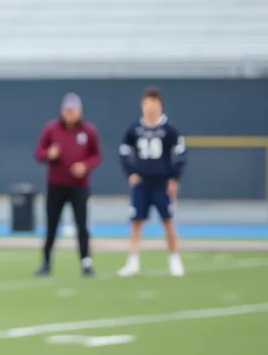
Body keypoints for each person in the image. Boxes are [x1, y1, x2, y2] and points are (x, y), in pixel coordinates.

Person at [117, 88, 187, 278]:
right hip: (142, 183)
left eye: (154, 104)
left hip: (161, 183)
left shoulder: (169, 131)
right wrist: (130, 173)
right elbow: (123, 153)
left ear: (160, 105)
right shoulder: (134, 130)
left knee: (168, 221)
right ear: (142, 105)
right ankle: (132, 262)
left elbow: (180, 155)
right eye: (147, 104)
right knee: (136, 223)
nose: (150, 108)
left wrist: (174, 178)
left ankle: (174, 260)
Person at [34, 93, 102, 277]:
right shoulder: (51, 129)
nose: (70, 113)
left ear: (79, 111)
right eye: (67, 110)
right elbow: (39, 153)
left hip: (79, 186)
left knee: (81, 224)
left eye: (73, 110)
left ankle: (86, 262)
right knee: (51, 224)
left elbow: (96, 156)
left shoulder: (88, 131)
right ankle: (46, 261)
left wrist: (85, 166)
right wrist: (49, 154)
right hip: (56, 184)